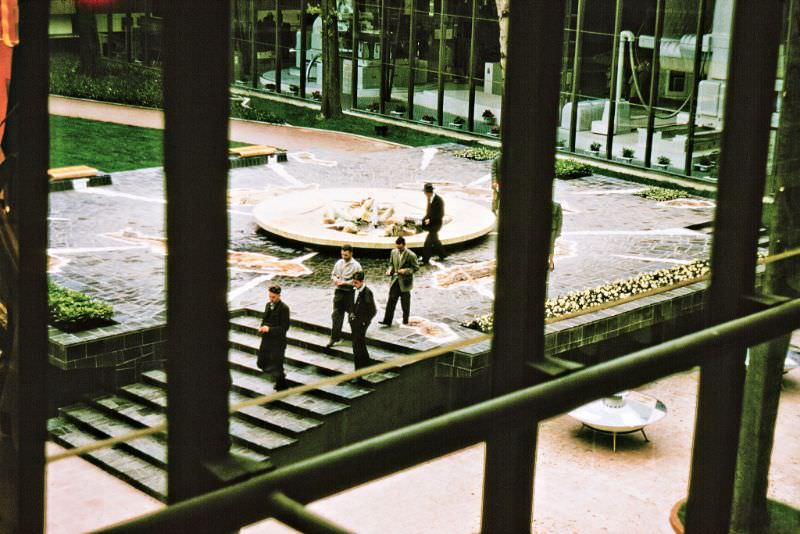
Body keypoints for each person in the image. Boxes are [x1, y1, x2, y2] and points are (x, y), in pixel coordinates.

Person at [327, 243, 362, 348]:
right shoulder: (339, 263)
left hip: (350, 294)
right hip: (339, 293)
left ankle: (357, 337)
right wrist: (335, 280)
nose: (344, 257)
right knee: (336, 316)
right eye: (342, 254)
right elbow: (333, 274)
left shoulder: (356, 266)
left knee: (352, 316)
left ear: (351, 253)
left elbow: (359, 281)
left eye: (346, 255)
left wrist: (345, 283)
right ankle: (334, 338)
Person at [379, 236, 418, 326]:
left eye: (400, 248)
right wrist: (389, 270)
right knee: (391, 301)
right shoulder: (393, 252)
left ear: (404, 245)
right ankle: (387, 321)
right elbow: (391, 264)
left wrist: (406, 271)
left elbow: (416, 268)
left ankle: (405, 320)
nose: (398, 249)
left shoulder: (411, 255)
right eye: (397, 247)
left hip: (405, 283)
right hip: (395, 281)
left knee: (405, 303)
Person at [258, 284, 290, 391]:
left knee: (277, 364)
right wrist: (262, 327)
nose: (271, 299)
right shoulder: (268, 305)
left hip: (278, 342)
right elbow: (264, 319)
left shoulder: (284, 308)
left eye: (273, 297)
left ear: (279, 296)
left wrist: (269, 329)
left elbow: (284, 328)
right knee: (262, 362)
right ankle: (280, 378)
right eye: (270, 296)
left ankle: (281, 383)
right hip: (267, 340)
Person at [348, 271, 377, 369]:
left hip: (361, 323)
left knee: (356, 345)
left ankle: (358, 368)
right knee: (359, 342)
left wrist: (365, 322)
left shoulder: (367, 293)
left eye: (356, 283)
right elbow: (351, 303)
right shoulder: (354, 290)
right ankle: (366, 362)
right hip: (354, 322)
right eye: (353, 282)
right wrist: (351, 312)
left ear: (362, 281)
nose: (354, 284)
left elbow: (372, 310)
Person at [420, 182, 446, 265]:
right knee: (435, 240)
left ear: (427, 192)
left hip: (436, 224)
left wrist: (430, 220)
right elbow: (429, 213)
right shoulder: (430, 199)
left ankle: (425, 260)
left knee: (428, 242)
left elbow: (440, 214)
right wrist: (424, 219)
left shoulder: (438, 200)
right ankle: (443, 254)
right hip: (432, 223)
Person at [549, 201, 563, 272]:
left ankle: (551, 261)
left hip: (552, 229)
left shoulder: (556, 205)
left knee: (551, 246)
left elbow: (559, 220)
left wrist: (558, 231)